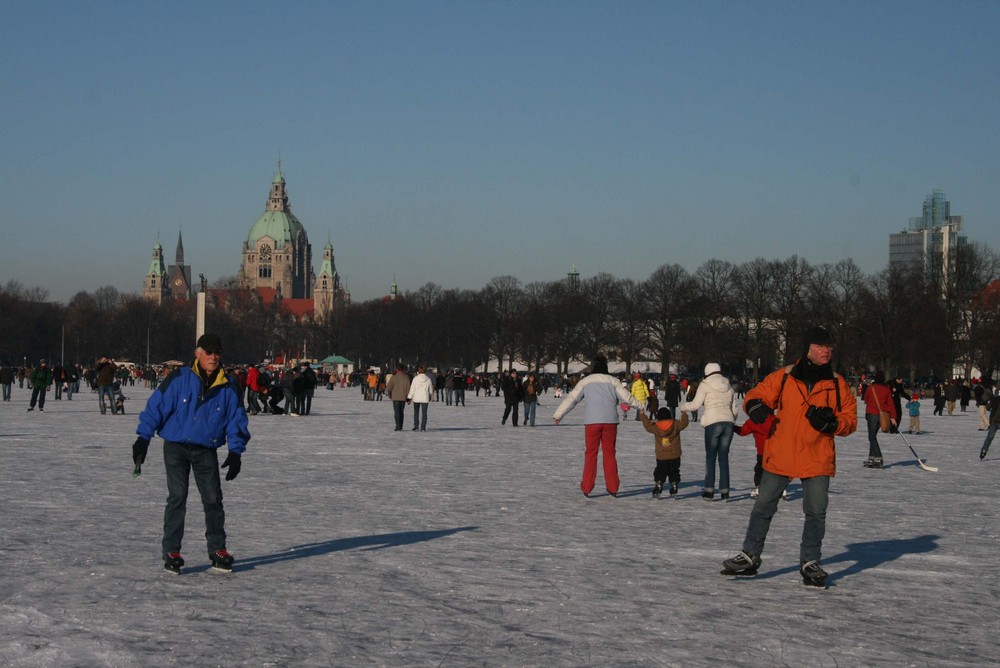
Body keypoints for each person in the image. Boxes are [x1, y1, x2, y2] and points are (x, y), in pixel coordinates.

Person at [721, 326, 857, 588]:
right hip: (781, 453)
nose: (826, 350)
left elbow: (850, 421)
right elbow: (755, 395)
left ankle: (810, 561)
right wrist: (756, 407)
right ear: (808, 348)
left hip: (817, 457)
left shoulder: (838, 384)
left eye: (829, 346)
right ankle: (750, 555)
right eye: (820, 346)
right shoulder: (784, 377)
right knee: (763, 507)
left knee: (816, 512)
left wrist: (832, 424)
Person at [131, 334, 249, 574]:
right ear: (198, 353)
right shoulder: (180, 378)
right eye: (208, 352)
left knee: (213, 499)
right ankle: (171, 550)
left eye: (217, 352)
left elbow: (236, 419)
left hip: (206, 449)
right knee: (178, 497)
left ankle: (217, 548)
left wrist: (236, 451)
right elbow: (157, 406)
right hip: (176, 447)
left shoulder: (228, 385)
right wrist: (143, 437)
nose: (213, 357)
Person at [552, 354, 645, 497]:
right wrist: (641, 406)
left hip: (592, 421)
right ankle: (613, 487)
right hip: (610, 421)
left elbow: (572, 399)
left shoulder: (586, 381)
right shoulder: (613, 381)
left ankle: (587, 487)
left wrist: (558, 415)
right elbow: (627, 398)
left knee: (590, 454)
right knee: (610, 454)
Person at [683, 363, 738, 500]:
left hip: (713, 422)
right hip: (728, 423)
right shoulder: (728, 385)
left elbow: (695, 404)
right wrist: (730, 419)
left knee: (711, 457)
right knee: (724, 457)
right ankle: (725, 491)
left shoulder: (705, 384)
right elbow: (735, 409)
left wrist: (683, 406)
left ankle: (709, 490)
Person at [639, 406, 689, 498]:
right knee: (674, 471)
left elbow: (647, 425)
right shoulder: (676, 424)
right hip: (675, 454)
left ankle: (659, 483)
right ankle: (674, 484)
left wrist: (642, 415)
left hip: (661, 455)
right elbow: (684, 423)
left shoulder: (656, 427)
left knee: (660, 470)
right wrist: (684, 413)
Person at [735, 411, 778, 499]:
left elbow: (743, 431)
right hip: (775, 450)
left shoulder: (753, 421)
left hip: (761, 451)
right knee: (775, 469)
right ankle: (778, 487)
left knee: (760, 469)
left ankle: (759, 486)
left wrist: (733, 428)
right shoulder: (774, 419)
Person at [862, 371, 897, 469]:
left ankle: (878, 457)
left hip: (872, 413)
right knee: (873, 436)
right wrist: (893, 417)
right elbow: (891, 403)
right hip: (883, 414)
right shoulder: (886, 389)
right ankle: (871, 458)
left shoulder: (871, 387)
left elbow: (865, 399)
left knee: (871, 437)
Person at [385, 363, 411, 431]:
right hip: (403, 397)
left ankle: (398, 426)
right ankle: (400, 426)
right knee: (401, 412)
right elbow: (408, 388)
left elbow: (389, 387)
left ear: (397, 369)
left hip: (395, 396)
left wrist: (390, 394)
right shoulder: (406, 377)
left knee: (397, 412)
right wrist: (408, 397)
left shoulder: (394, 377)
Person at [407, 365, 433, 431]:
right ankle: (423, 427)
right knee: (424, 413)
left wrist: (409, 397)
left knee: (416, 412)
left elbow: (412, 389)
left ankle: (416, 426)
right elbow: (431, 390)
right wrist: (430, 395)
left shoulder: (415, 379)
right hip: (425, 397)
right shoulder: (428, 379)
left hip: (416, 397)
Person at [979, 387, 1000, 460]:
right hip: (996, 420)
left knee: (989, 438)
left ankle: (983, 451)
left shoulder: (994, 399)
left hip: (993, 421)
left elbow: (988, 408)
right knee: (989, 437)